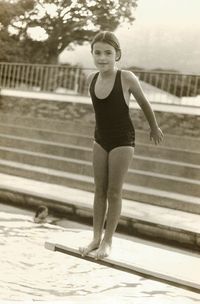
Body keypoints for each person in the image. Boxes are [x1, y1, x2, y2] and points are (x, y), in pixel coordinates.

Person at [79, 31, 163, 260]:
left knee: (114, 192)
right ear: (92, 54)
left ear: (117, 54)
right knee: (99, 190)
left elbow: (144, 103)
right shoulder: (92, 80)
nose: (102, 57)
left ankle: (108, 241)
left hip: (123, 141)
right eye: (97, 53)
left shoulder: (126, 77)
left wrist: (154, 127)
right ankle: (96, 236)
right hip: (100, 139)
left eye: (108, 53)